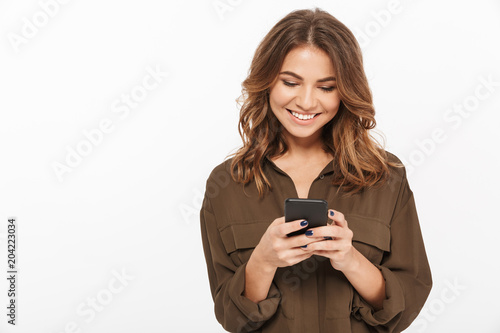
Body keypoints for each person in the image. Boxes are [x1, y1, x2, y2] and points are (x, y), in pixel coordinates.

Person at [200, 7, 432, 333]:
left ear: (346, 91)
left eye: (326, 87)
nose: (307, 102)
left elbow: (404, 305)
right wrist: (264, 260)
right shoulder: (228, 185)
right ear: (266, 82)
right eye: (291, 82)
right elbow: (233, 317)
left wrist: (349, 259)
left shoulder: (386, 177)